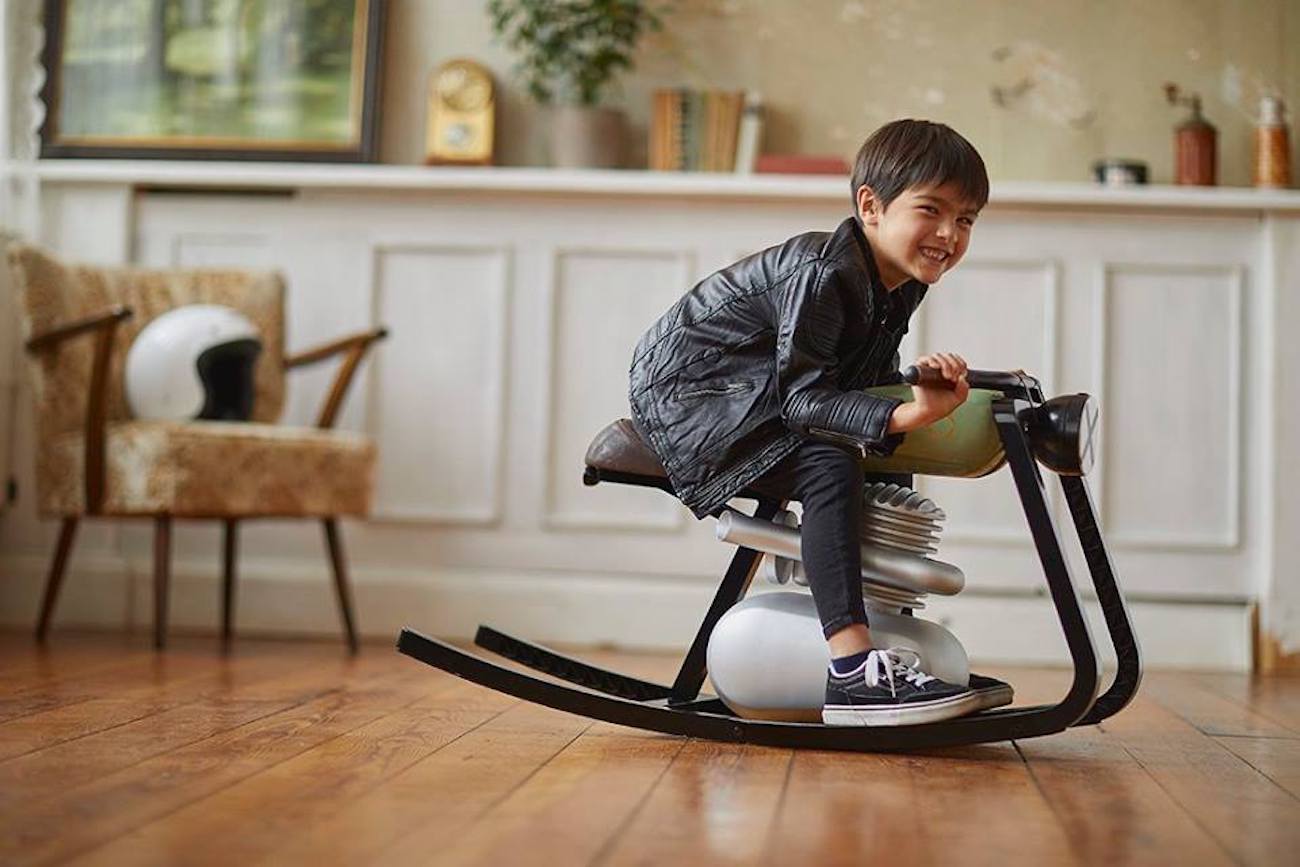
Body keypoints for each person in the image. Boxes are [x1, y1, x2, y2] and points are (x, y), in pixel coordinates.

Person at [627, 119, 988, 726]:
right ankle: (852, 671)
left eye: (968, 219)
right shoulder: (825, 272)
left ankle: (887, 639)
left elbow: (854, 375)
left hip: (758, 388)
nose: (950, 234)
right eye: (932, 210)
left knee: (870, 451)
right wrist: (909, 410)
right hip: (697, 393)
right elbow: (805, 400)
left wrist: (928, 390)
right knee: (830, 460)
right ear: (870, 206)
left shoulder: (899, 285)